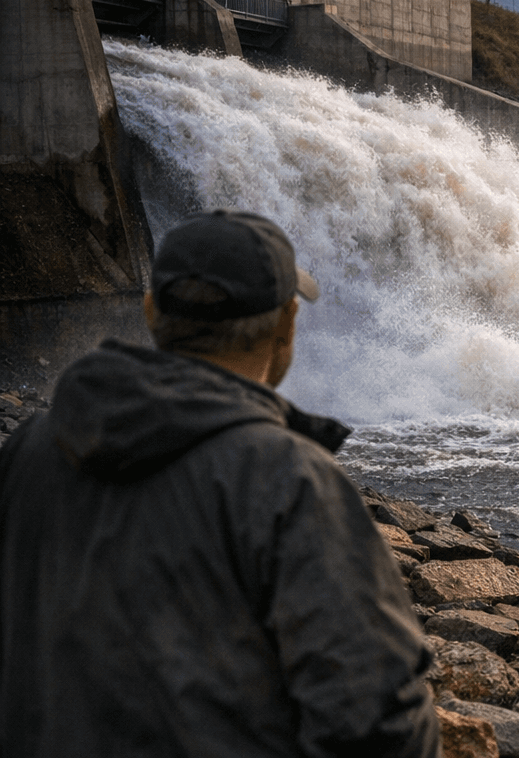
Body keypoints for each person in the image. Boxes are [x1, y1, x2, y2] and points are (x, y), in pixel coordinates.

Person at [0, 210, 439, 757]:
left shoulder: (32, 447)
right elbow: (378, 721)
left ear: (151, 311)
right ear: (287, 324)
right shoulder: (286, 476)